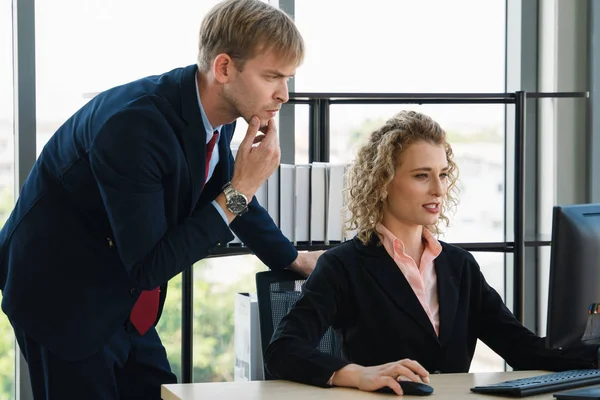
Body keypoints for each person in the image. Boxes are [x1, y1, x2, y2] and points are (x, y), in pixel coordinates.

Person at [0, 0, 322, 398]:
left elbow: (221, 188)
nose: (284, 95)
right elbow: (152, 264)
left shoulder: (213, 114)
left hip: (123, 299)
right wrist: (242, 188)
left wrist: (291, 259)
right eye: (273, 77)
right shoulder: (135, 127)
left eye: (288, 78)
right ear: (223, 68)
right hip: (64, 299)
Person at [264, 110, 599, 395]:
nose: (438, 189)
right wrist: (359, 374)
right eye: (422, 176)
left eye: (442, 174)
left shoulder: (459, 266)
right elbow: (284, 350)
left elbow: (523, 350)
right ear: (383, 182)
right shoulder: (344, 265)